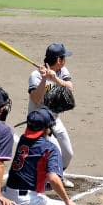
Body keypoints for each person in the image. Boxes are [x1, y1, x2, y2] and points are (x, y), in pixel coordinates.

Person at [3, 108, 80, 205]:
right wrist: (67, 200)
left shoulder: (23, 139)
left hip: (7, 200)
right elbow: (53, 178)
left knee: (42, 197)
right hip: (25, 203)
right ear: (48, 128)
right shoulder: (50, 148)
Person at [28, 43, 76, 188]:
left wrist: (54, 78)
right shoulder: (35, 75)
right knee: (55, 151)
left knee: (68, 154)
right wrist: (44, 79)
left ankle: (57, 175)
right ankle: (52, 178)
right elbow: (35, 99)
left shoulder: (62, 71)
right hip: (39, 122)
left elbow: (70, 88)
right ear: (58, 60)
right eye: (64, 57)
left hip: (54, 118)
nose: (65, 60)